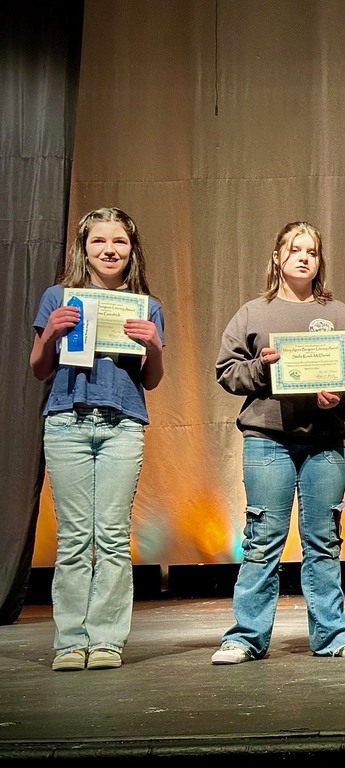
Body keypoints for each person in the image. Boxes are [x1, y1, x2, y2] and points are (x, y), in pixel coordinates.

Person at [210, 221, 345, 664]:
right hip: (268, 439)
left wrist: (340, 393)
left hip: (327, 441)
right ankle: (245, 637)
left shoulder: (339, 313)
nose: (304, 257)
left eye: (312, 251)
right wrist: (263, 371)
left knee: (323, 540)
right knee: (262, 538)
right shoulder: (252, 313)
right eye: (295, 250)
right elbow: (227, 371)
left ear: (319, 261)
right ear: (277, 258)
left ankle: (333, 634)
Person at [30, 207, 166, 671]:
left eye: (119, 243)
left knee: (110, 536)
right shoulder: (58, 297)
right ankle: (70, 641)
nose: (110, 250)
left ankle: (106, 639)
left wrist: (153, 345)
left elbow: (152, 381)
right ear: (83, 249)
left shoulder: (146, 306)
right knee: (72, 538)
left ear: (132, 250)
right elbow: (39, 368)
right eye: (99, 242)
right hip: (67, 420)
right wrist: (50, 332)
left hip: (122, 424)